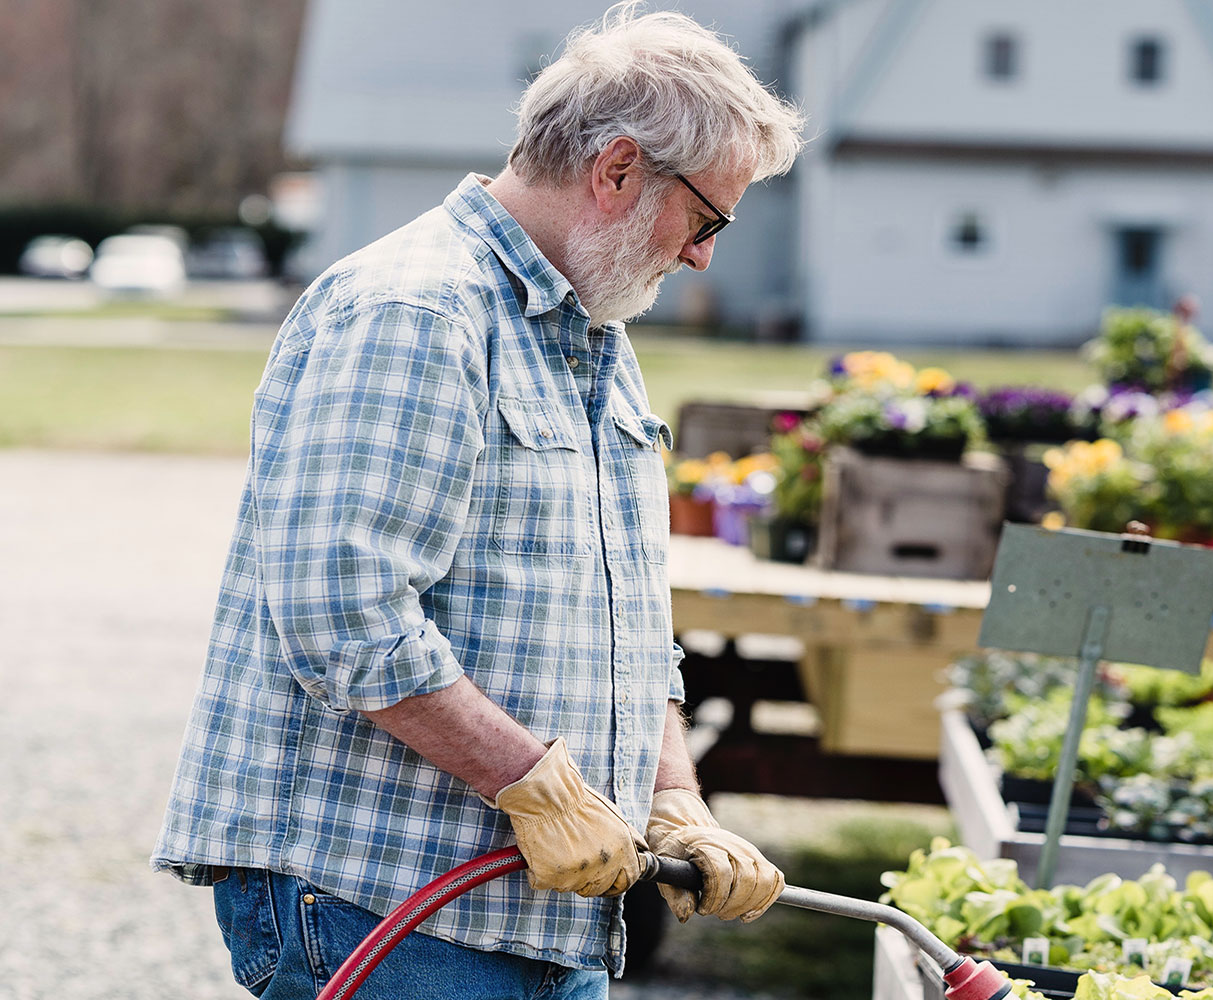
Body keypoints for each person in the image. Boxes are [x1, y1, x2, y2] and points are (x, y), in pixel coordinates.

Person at [151, 4, 805, 997]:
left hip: (528, 914)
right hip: (383, 895)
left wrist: (675, 798)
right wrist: (530, 782)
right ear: (619, 168)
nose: (705, 254)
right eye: (706, 217)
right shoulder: (416, 311)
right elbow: (344, 614)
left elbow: (629, 615)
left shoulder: (591, 338)